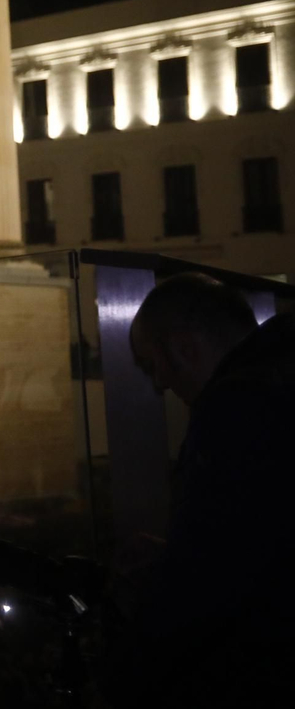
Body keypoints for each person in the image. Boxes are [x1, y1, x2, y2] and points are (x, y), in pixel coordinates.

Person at [106, 272, 295, 705]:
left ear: (183, 347)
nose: (159, 385)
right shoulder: (280, 379)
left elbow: (203, 588)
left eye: (154, 365)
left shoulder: (233, 410)